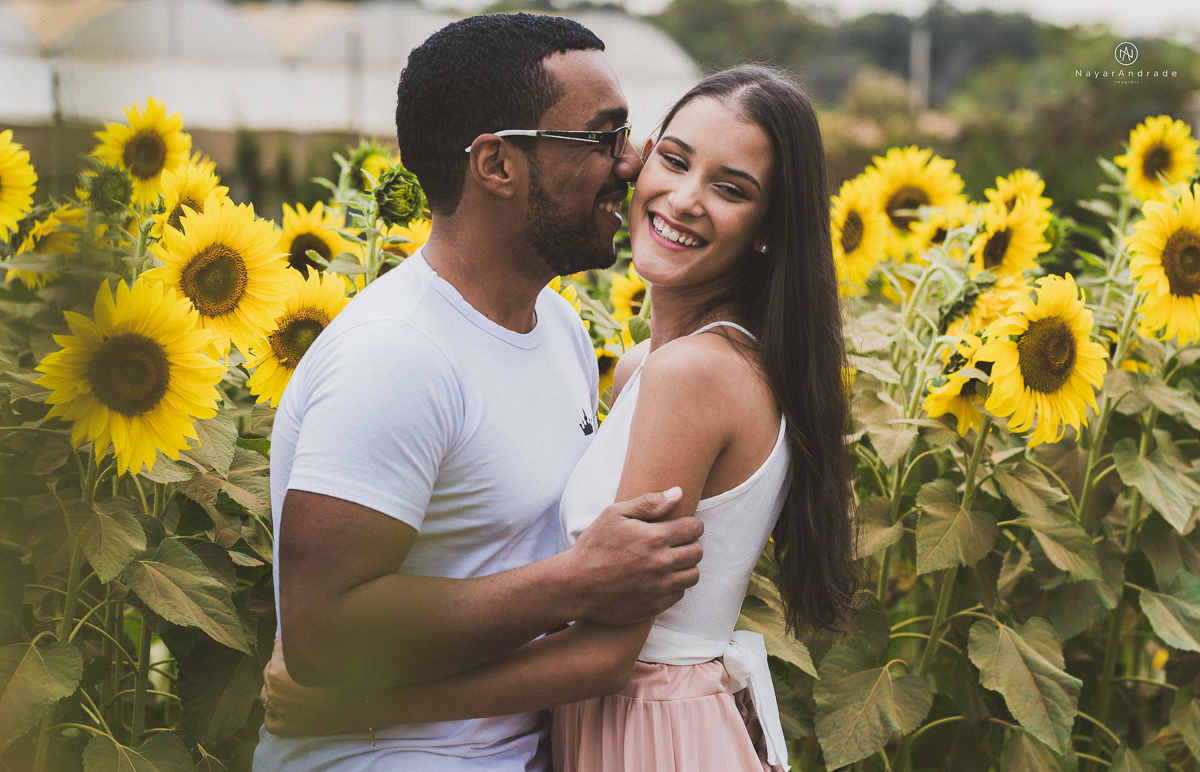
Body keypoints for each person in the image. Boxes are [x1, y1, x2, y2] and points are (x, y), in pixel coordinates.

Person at [261, 64, 859, 771]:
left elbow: (607, 651)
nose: (684, 198)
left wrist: (359, 704)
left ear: (768, 229)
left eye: (731, 189)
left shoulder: (691, 374)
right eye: (673, 159)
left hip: (649, 734)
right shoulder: (643, 364)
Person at [253, 13, 708, 772]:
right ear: (497, 166)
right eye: (603, 138)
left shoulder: (556, 325)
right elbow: (323, 632)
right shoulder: (397, 354)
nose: (632, 165)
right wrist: (576, 581)